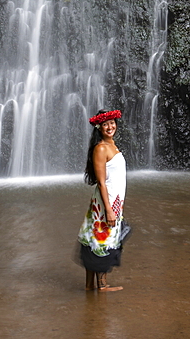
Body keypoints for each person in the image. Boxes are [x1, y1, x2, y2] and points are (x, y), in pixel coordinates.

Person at [77, 108, 127, 291]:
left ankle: (91, 285)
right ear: (99, 127)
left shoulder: (112, 146)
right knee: (102, 241)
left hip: (114, 201)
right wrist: (108, 209)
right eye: (105, 124)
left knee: (97, 240)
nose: (110, 127)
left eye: (112, 123)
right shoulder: (101, 149)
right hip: (106, 202)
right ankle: (102, 285)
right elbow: (101, 182)